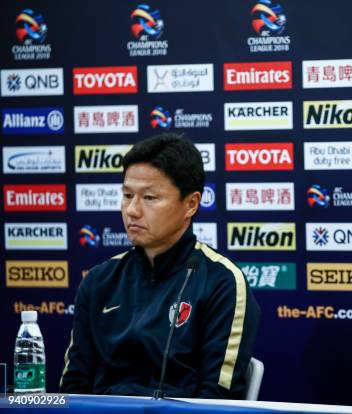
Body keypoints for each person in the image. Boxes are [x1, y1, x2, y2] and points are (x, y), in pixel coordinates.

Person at [60, 133, 260, 398]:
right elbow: (73, 389)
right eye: (127, 195)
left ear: (190, 204)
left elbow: (218, 400)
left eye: (150, 198)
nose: (132, 210)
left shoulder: (222, 283)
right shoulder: (99, 280)